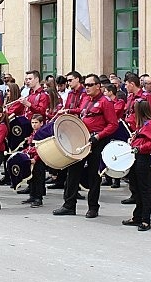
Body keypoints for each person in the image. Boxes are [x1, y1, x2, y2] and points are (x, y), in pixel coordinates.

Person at [53, 74, 118, 218]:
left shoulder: (105, 102)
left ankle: (93, 207)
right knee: (73, 171)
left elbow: (113, 125)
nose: (86, 87)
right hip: (81, 139)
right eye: (86, 84)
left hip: (97, 141)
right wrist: (68, 111)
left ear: (98, 86)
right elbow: (83, 112)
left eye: (90, 85)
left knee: (94, 175)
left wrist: (99, 136)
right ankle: (69, 205)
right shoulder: (85, 98)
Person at [121, 100, 151, 231]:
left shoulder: (149, 124)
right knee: (136, 188)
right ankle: (137, 216)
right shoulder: (142, 125)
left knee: (144, 190)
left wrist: (140, 148)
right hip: (135, 158)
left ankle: (146, 220)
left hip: (142, 159)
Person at [20, 114, 46, 208]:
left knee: (38, 178)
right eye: (32, 122)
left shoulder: (42, 133)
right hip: (31, 157)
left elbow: (41, 148)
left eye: (36, 123)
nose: (34, 125)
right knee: (31, 177)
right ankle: (32, 195)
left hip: (39, 159)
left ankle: (38, 198)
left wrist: (35, 158)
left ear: (41, 123)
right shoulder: (33, 132)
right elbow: (30, 146)